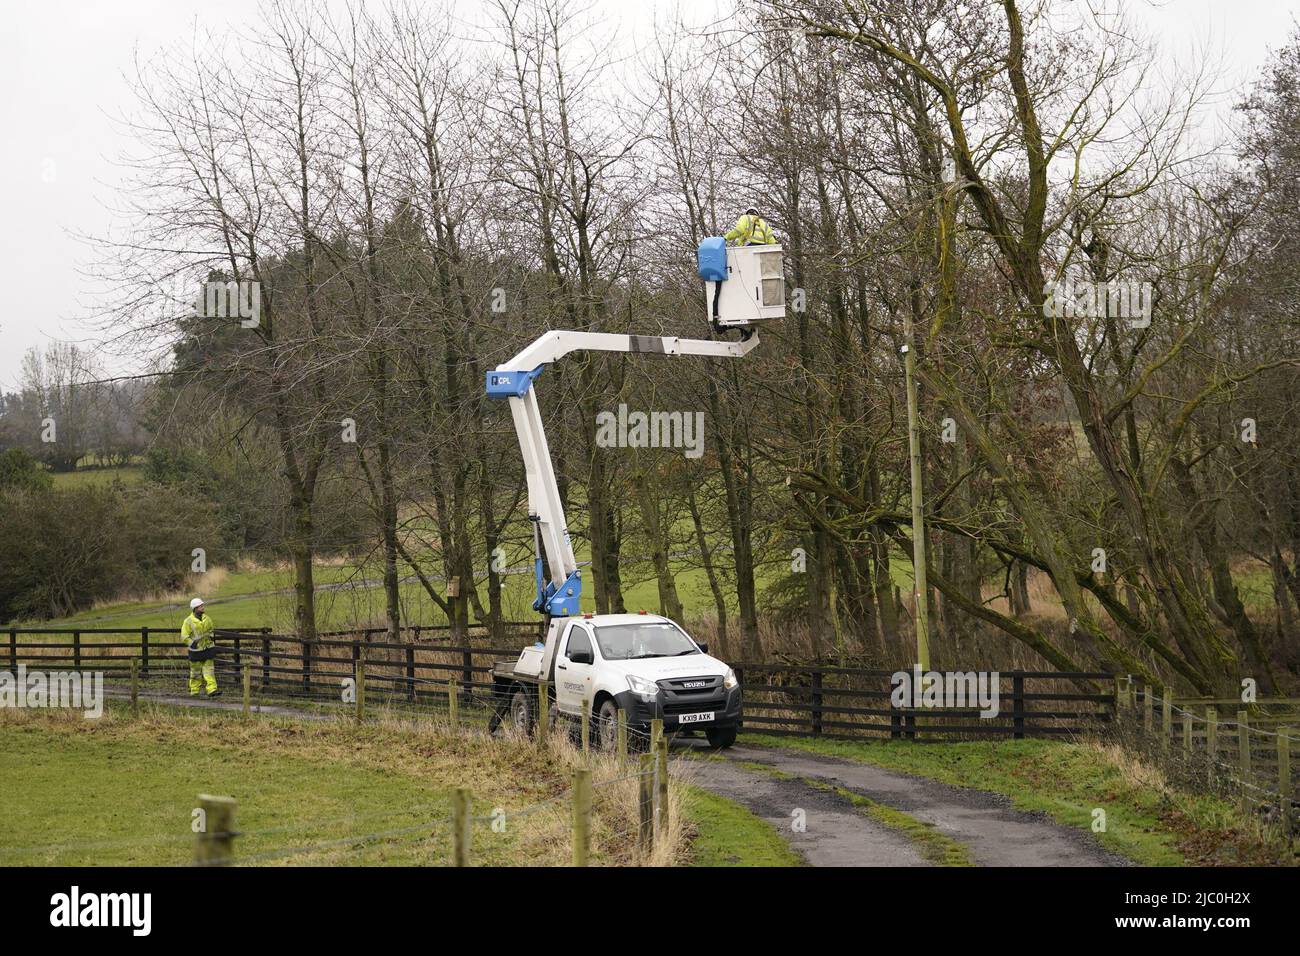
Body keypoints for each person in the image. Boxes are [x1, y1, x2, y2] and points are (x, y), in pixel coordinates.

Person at [181, 597, 220, 698]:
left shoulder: (207, 618)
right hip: (195, 651)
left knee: (209, 671)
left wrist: (211, 637)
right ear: (195, 608)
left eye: (203, 605)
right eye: (200, 606)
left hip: (208, 649)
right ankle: (194, 692)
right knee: (195, 673)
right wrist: (192, 643)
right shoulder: (188, 621)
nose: (203, 607)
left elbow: (211, 630)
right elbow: (184, 636)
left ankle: (212, 690)